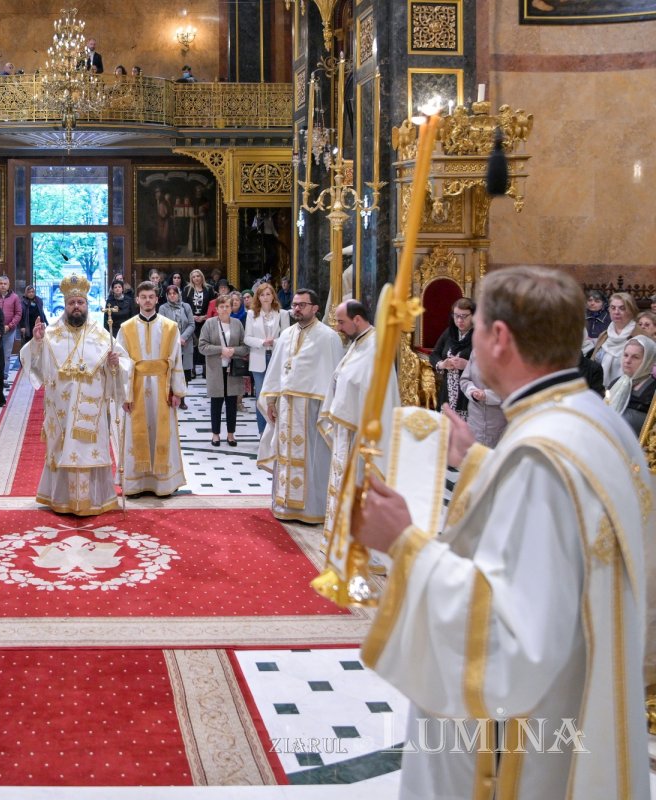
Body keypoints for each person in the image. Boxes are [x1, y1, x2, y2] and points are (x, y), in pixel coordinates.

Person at [353, 266, 651, 800]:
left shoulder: (541, 455)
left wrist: (403, 541)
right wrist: (478, 462)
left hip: (532, 742)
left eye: (477, 324)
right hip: (588, 702)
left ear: (499, 338)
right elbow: (566, 541)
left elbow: (512, 639)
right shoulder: (595, 423)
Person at [21, 274, 128, 516]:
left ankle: (96, 499)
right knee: (63, 451)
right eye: (72, 303)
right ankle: (60, 499)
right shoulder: (50, 334)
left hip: (92, 411)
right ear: (65, 306)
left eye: (80, 302)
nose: (76, 307)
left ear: (87, 305)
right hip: (61, 410)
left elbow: (121, 366)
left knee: (88, 452)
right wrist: (36, 343)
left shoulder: (102, 335)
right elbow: (35, 368)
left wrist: (114, 364)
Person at [318, 300, 395, 571]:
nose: (337, 327)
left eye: (341, 321)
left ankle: (360, 545)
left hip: (360, 432)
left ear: (358, 319)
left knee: (359, 486)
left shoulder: (376, 348)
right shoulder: (359, 342)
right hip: (346, 427)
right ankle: (343, 536)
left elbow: (374, 394)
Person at [256, 289, 344, 524]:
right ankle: (284, 506)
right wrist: (272, 399)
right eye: (294, 304)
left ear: (315, 308)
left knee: (314, 459)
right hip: (286, 405)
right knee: (285, 455)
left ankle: (313, 510)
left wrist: (330, 408)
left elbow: (335, 376)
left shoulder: (329, 337)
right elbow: (276, 369)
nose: (296, 309)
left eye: (302, 305)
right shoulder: (286, 335)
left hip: (314, 407)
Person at [117, 281, 186, 495]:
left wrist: (177, 392)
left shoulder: (170, 327)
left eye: (151, 296)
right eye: (143, 297)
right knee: (136, 434)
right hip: (136, 388)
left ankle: (163, 483)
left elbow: (176, 361)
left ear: (157, 299)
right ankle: (135, 484)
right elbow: (122, 363)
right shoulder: (126, 328)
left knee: (161, 432)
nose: (147, 300)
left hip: (162, 388)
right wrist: (124, 395)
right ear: (137, 299)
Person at [199, 293, 249, 447]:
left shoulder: (237, 324)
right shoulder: (209, 324)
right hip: (216, 368)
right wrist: (221, 349)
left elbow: (245, 347)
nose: (225, 309)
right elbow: (202, 346)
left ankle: (231, 434)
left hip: (232, 369)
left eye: (228, 306)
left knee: (232, 403)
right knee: (216, 403)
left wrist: (233, 350)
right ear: (217, 308)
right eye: (222, 307)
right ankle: (215, 435)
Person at [244, 280, 290, 439]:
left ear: (273, 296)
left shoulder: (282, 314)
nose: (265, 297)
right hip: (259, 357)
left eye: (268, 294)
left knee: (276, 394)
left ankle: (276, 431)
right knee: (261, 396)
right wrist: (262, 342)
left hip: (276, 356)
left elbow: (286, 337)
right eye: (262, 295)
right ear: (258, 297)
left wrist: (274, 342)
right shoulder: (252, 314)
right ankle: (262, 432)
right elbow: (247, 338)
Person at [429, 298, 475, 419]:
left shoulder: (479, 335)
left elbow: (488, 365)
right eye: (456, 316)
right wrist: (442, 364)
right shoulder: (450, 332)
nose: (460, 320)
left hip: (468, 393)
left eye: (464, 316)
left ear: (473, 316)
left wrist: (468, 365)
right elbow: (434, 354)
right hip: (447, 391)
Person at [607, 335, 656, 437]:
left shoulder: (653, 391)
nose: (628, 361)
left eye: (635, 357)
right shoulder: (615, 383)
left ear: (648, 361)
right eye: (625, 355)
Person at [459, 349, 507, 447]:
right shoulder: (475, 352)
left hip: (498, 423)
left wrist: (486, 395)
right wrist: (472, 391)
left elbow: (512, 390)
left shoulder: (511, 354)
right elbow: (465, 380)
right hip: (474, 421)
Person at [159, 284, 194, 407]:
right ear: (167, 295)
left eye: (174, 293)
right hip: (170, 344)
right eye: (170, 294)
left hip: (185, 344)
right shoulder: (163, 308)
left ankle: (183, 399)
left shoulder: (186, 307)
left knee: (184, 371)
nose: (172, 296)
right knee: (171, 369)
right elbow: (162, 325)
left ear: (179, 294)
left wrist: (183, 337)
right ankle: (171, 396)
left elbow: (191, 324)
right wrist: (175, 339)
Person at [592, 292, 638, 385]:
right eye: (613, 308)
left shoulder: (640, 336)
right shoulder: (604, 335)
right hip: (601, 388)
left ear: (631, 310)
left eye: (622, 308)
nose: (616, 312)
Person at [184, 269, 214, 379]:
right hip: (191, 321)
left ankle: (206, 369)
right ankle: (192, 369)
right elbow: (184, 305)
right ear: (191, 278)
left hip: (205, 321)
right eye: (194, 276)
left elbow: (212, 305)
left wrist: (205, 316)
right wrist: (191, 316)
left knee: (205, 344)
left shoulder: (209, 289)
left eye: (198, 276)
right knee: (192, 346)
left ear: (202, 277)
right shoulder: (187, 289)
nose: (196, 278)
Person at [0, 275, 22, 367]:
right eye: (1, 283)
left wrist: (9, 326)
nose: (3, 286)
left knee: (6, 354)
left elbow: (18, 313)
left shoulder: (15, 297)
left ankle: (4, 376)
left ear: (9, 285)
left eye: (5, 284)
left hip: (9, 330)